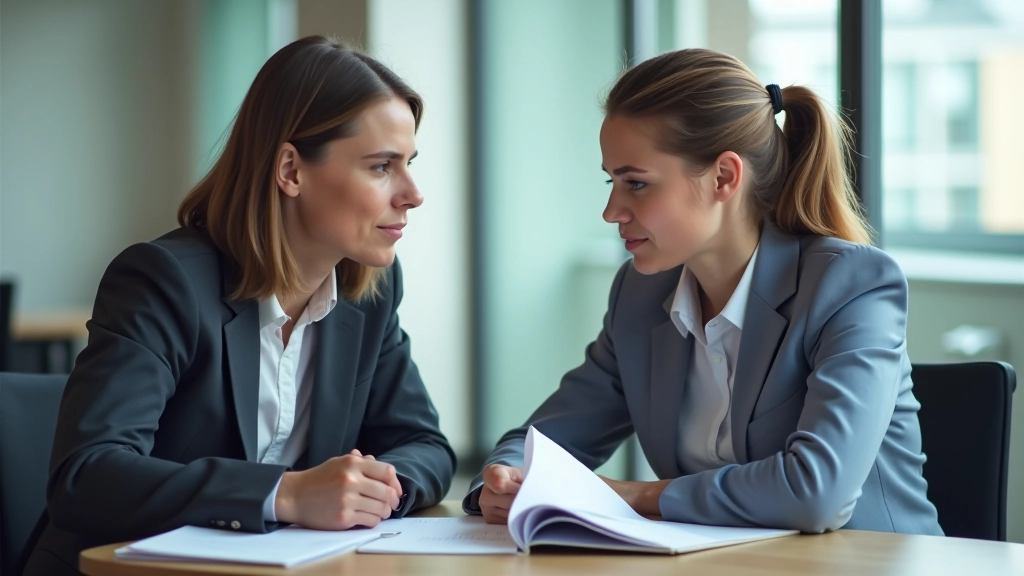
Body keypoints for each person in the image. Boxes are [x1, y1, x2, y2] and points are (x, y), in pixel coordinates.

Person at [24, 36, 455, 576]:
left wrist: (373, 489)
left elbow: (423, 444)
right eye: (381, 166)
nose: (413, 193)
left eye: (409, 162)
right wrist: (287, 494)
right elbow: (87, 475)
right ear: (291, 171)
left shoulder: (370, 291)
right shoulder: (163, 281)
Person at [466, 48, 941, 536]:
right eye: (611, 181)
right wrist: (506, 477)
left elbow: (817, 494)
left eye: (636, 184)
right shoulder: (640, 294)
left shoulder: (852, 286)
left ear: (724, 177)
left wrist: (630, 495)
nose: (611, 211)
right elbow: (551, 436)